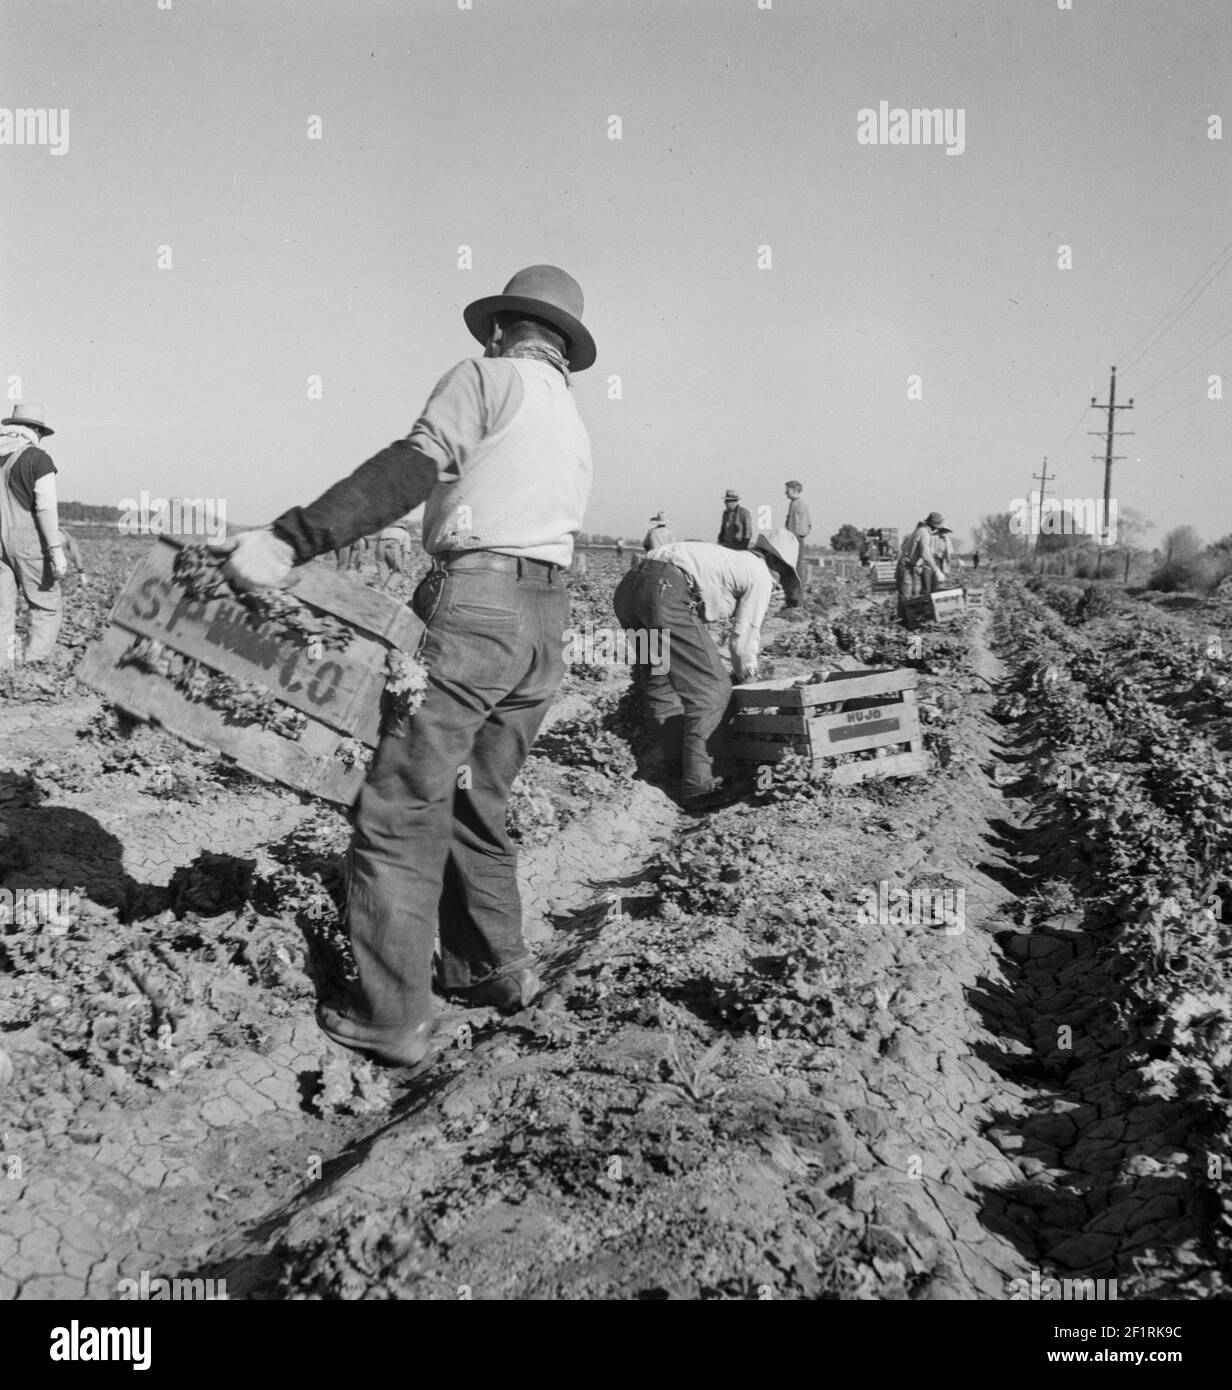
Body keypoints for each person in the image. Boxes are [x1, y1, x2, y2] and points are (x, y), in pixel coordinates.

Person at [216, 264, 595, 1067]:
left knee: (399, 804)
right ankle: (491, 969)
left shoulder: (486, 378)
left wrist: (292, 537)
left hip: (477, 605)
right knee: (474, 800)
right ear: (564, 344)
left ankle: (392, 1018)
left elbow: (412, 465)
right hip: (544, 619)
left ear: (501, 329)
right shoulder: (568, 417)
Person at [613, 528, 801, 810]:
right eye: (784, 576)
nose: (779, 583)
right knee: (712, 690)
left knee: (661, 681)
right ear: (779, 565)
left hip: (629, 591)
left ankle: (679, 766)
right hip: (665, 590)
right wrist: (747, 677)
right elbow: (743, 639)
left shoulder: (729, 559)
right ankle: (704, 786)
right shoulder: (760, 574)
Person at [0, 404, 69, 667]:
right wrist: (55, 550)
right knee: (45, 606)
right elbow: (45, 507)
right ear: (36, 430)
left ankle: (3, 670)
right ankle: (33, 668)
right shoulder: (38, 459)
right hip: (26, 541)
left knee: (2, 610)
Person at [897, 512, 948, 617]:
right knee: (906, 595)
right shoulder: (924, 532)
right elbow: (925, 553)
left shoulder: (924, 531)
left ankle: (909, 619)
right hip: (906, 565)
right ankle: (902, 620)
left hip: (911, 566)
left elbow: (918, 552)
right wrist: (937, 570)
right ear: (935, 526)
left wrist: (919, 565)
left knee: (914, 594)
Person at [374, 520, 412, 588]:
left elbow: (377, 538)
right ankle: (387, 589)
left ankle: (382, 588)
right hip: (393, 545)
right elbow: (406, 551)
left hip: (379, 546)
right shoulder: (405, 533)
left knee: (383, 570)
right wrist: (404, 565)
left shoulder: (387, 530)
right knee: (398, 571)